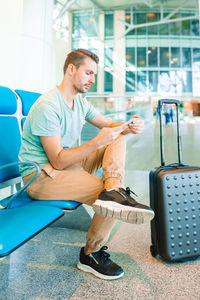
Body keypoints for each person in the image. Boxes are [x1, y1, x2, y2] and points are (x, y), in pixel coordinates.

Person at [19, 49, 154, 280]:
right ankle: (90, 255)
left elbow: (110, 125)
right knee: (110, 201)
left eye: (94, 74)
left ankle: (113, 186)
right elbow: (58, 161)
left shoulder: (79, 103)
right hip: (40, 176)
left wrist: (129, 125)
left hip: (67, 166)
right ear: (71, 69)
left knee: (116, 138)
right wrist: (97, 142)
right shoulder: (48, 106)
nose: (92, 79)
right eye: (88, 73)